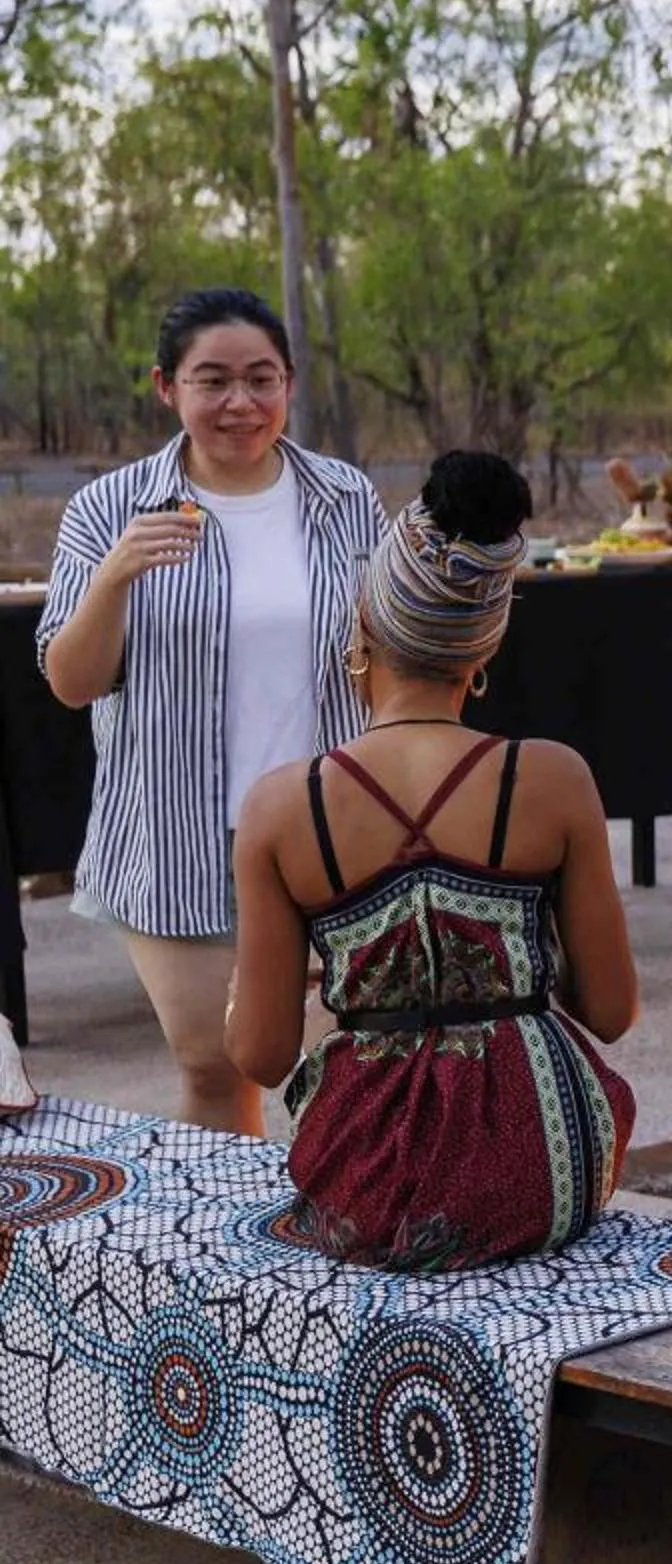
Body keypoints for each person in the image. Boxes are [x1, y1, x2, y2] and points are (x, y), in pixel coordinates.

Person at [227, 452, 638, 1273]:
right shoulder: (552, 780)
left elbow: (262, 1057)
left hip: (369, 1185)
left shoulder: (282, 808)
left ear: (363, 630)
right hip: (548, 1178)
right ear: (480, 649)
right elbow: (612, 1011)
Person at [37, 288, 387, 1132]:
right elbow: (70, 681)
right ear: (167, 387)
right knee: (216, 1066)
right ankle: (225, 1255)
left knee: (343, 1067)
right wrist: (115, 578)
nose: (241, 403)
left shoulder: (344, 499)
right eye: (213, 380)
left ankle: (335, 1240)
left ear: (290, 383)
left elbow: (389, 650)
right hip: (176, 837)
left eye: (262, 379)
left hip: (331, 832)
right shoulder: (110, 510)